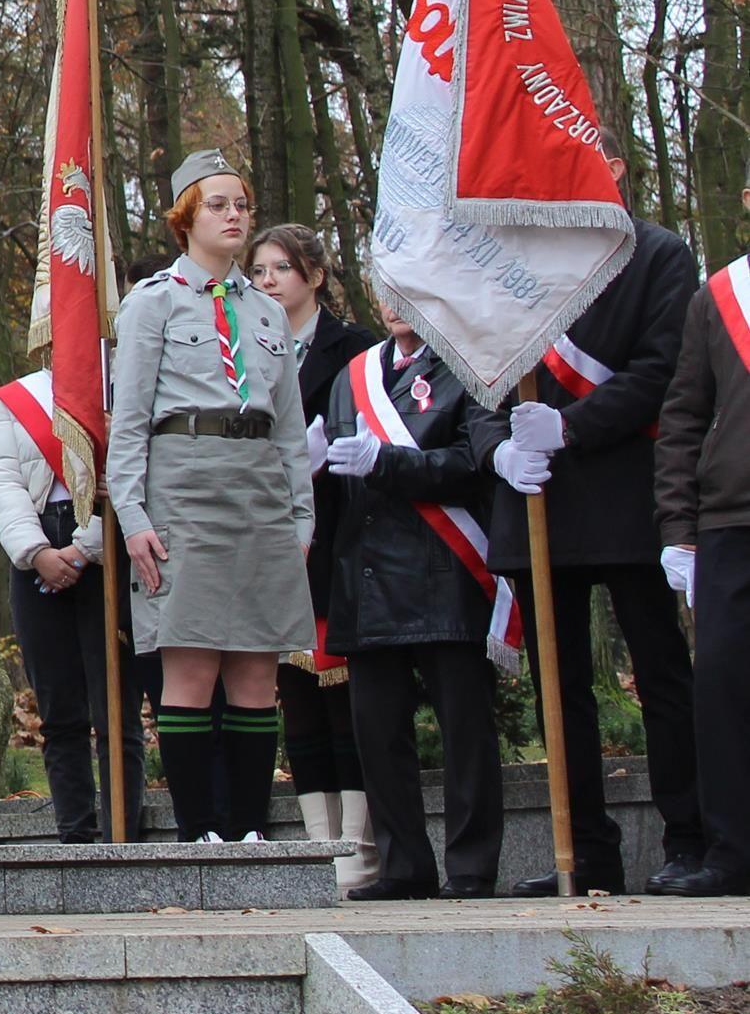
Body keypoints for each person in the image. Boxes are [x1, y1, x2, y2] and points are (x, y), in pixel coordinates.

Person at [466, 180, 703, 894]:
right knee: (559, 687)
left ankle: (691, 840)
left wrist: (573, 425)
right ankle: (585, 853)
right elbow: (475, 368)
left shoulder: (658, 252)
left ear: (619, 167)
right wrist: (495, 449)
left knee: (663, 674)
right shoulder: (504, 258)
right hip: (538, 494)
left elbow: (664, 369)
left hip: (627, 485)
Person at [108, 152, 315, 843]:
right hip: (184, 484)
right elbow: (130, 418)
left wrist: (301, 514)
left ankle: (251, 826)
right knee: (191, 660)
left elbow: (288, 424)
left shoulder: (267, 311)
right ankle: (199, 827)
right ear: (186, 216)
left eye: (243, 204)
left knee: (258, 665)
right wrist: (131, 516)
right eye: (219, 204)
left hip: (258, 485)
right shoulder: (153, 302)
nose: (235, 216)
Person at [319, 302, 507, 898]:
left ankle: (472, 868)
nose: (398, 305)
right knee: (377, 734)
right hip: (366, 575)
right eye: (389, 290)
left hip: (444, 570)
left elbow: (473, 461)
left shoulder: (468, 367)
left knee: (465, 733)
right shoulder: (354, 375)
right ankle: (404, 867)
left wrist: (389, 461)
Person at [248, 223, 378, 889]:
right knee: (295, 698)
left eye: (281, 268)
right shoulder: (245, 349)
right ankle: (317, 847)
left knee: (344, 699)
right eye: (260, 271)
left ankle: (358, 848)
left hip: (338, 536)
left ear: (315, 275)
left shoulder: (355, 348)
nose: (268, 281)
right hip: (269, 540)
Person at [0, 368, 146, 842]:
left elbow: (128, 475)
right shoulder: (18, 398)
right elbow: (1, 480)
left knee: (115, 705)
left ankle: (123, 836)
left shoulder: (121, 389)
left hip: (105, 546)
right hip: (37, 546)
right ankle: (75, 833)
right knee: (58, 707)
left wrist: (84, 548)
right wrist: (36, 553)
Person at [657, 242, 750, 895]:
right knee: (721, 686)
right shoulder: (719, 294)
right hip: (729, 522)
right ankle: (731, 853)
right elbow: (685, 417)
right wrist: (678, 528)